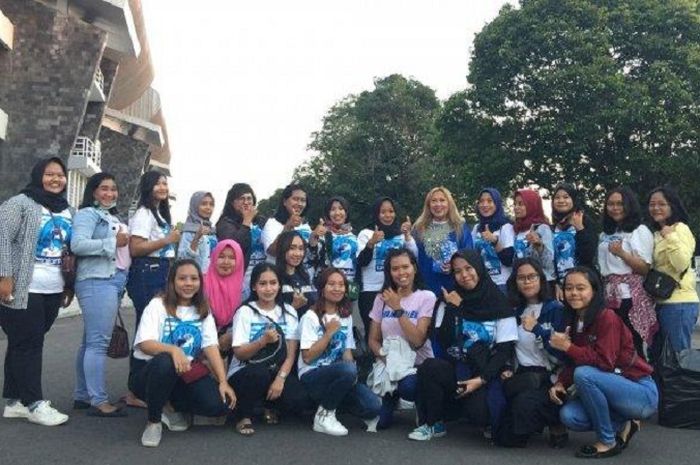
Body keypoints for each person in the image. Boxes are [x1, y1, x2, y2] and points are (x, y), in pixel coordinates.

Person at [549, 267, 658, 458]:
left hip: (640, 391)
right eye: (569, 288)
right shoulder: (575, 320)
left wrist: (568, 347)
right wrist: (560, 383)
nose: (573, 293)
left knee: (584, 374)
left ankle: (607, 441)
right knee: (569, 416)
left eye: (581, 288)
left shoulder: (607, 317)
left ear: (594, 290)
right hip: (615, 391)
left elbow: (604, 363)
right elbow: (576, 360)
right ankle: (625, 423)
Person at [409, 250, 517, 441]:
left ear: (479, 268)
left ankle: (470, 412)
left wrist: (481, 379)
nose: (464, 275)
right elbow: (443, 341)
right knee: (430, 367)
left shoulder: (500, 302)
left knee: (480, 415)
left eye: (469, 268)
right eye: (457, 271)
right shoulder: (449, 299)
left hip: (486, 370)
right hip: (458, 369)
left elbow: (504, 352)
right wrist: (454, 309)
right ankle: (434, 423)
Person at [129, 259, 236, 447]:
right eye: (182, 278)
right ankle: (154, 421)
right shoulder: (157, 305)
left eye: (194, 278)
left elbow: (211, 346)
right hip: (149, 374)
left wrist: (223, 381)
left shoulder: (202, 309)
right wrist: (173, 349)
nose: (188, 283)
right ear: (172, 281)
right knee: (165, 361)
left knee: (220, 404)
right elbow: (145, 344)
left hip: (185, 373)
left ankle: (172, 407)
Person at [0, 157, 74, 426]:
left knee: (23, 343)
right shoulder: (20, 203)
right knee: (30, 345)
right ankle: (34, 403)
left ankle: (15, 401)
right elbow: (1, 238)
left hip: (52, 289)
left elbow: (70, 251)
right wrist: (4, 276)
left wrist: (69, 285)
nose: (55, 179)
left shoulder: (68, 210)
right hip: (23, 287)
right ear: (37, 175)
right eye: (49, 174)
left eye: (60, 175)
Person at [226, 263, 310, 435]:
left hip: (276, 370)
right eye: (262, 284)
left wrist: (281, 378)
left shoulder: (289, 312)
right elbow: (239, 353)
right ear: (254, 287)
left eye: (273, 283)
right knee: (259, 374)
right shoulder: (244, 312)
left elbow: (290, 354)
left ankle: (268, 405)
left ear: (279, 285)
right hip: (245, 370)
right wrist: (262, 341)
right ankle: (244, 415)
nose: (268, 288)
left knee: (300, 399)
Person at [71, 173, 130, 417]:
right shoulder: (87, 214)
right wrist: (111, 242)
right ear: (93, 192)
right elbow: (78, 245)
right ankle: (99, 400)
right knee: (98, 344)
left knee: (90, 342)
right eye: (103, 188)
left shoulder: (110, 216)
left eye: (113, 189)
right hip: (97, 280)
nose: (109, 193)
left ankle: (82, 395)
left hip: (111, 280)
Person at [298, 267, 381, 435]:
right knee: (347, 369)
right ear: (322, 288)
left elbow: (347, 353)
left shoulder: (346, 316)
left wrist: (353, 378)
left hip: (340, 375)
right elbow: (307, 357)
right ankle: (324, 415)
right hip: (313, 374)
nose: (337, 288)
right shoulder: (310, 316)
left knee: (373, 407)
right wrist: (328, 333)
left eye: (341, 284)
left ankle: (332, 403)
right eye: (331, 284)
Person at [496, 258, 566, 448]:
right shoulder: (514, 311)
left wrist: (538, 330)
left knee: (523, 404)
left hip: (550, 376)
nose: (527, 281)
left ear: (541, 279)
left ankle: (556, 421)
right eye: (521, 278)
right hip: (522, 375)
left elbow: (562, 355)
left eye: (532, 277)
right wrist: (507, 367)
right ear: (515, 282)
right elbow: (507, 346)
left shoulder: (556, 310)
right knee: (503, 438)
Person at [367, 248, 435, 430]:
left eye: (406, 267)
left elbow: (418, 340)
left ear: (414, 268)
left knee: (409, 387)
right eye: (395, 268)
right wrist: (386, 359)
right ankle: (391, 398)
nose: (401, 273)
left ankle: (422, 405)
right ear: (389, 272)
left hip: (417, 365)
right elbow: (372, 340)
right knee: (379, 423)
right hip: (389, 363)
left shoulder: (426, 297)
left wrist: (398, 308)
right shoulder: (381, 299)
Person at [598, 187, 656, 358]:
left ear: (629, 205)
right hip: (609, 295)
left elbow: (644, 267)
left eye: (620, 204)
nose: (615, 208)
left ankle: (640, 382)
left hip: (629, 297)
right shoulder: (605, 234)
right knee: (613, 344)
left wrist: (622, 254)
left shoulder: (639, 231)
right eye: (610, 204)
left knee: (631, 344)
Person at [647, 186, 699, 352]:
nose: (656, 208)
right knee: (658, 355)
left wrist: (670, 236)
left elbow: (681, 263)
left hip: (679, 302)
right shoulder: (655, 234)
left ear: (672, 206)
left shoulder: (680, 229)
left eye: (661, 204)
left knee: (678, 356)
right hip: (660, 301)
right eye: (652, 204)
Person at [357, 197, 417, 338]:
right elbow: (361, 262)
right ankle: (375, 359)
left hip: (397, 289)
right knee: (373, 332)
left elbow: (414, 256)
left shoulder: (401, 235)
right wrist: (371, 243)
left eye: (391, 211)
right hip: (371, 290)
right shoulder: (366, 233)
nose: (387, 215)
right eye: (383, 212)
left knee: (396, 330)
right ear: (377, 214)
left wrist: (408, 235)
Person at [126, 171, 180, 327]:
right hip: (148, 272)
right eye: (158, 184)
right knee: (147, 323)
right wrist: (166, 240)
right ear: (148, 187)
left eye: (165, 184)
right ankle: (138, 352)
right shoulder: (144, 213)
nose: (163, 187)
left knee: (154, 324)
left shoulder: (158, 213)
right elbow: (135, 248)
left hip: (160, 271)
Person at [413, 187, 472, 296]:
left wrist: (454, 266)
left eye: (442, 200)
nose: (438, 204)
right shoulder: (419, 229)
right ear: (428, 205)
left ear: (449, 203)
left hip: (456, 287)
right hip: (427, 288)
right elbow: (413, 256)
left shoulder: (460, 227)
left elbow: (469, 256)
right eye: (434, 201)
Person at [216, 183, 267, 299]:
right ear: (232, 202)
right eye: (241, 199)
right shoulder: (225, 223)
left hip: (263, 278)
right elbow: (233, 248)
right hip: (240, 279)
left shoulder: (261, 221)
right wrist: (246, 221)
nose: (246, 202)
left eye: (249, 199)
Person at [261, 184, 324, 278]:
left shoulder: (305, 226)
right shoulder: (272, 224)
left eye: (303, 200)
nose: (299, 203)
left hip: (304, 279)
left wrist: (314, 236)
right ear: (285, 201)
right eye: (295, 199)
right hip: (279, 278)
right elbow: (272, 251)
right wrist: (288, 226)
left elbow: (309, 253)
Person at [550, 184, 596, 298]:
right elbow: (550, 260)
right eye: (557, 197)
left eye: (566, 197)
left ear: (573, 200)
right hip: (561, 287)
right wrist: (555, 283)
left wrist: (580, 229)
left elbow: (589, 255)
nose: (561, 200)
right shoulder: (551, 228)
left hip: (583, 284)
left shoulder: (584, 221)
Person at [203, 240, 245, 352]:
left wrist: (231, 335)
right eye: (221, 256)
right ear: (214, 257)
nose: (226, 262)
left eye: (232, 258)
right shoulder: (200, 284)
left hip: (233, 347)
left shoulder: (245, 289)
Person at [472, 188, 515, 293]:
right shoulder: (476, 228)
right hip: (482, 285)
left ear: (497, 203)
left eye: (490, 201)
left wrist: (495, 241)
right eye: (481, 201)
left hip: (502, 284)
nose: (485, 205)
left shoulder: (506, 226)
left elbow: (509, 260)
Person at [512, 188, 555, 285]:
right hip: (523, 284)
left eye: (521, 204)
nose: (516, 207)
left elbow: (550, 263)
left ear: (532, 205)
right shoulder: (516, 230)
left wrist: (539, 246)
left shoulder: (542, 228)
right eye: (515, 204)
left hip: (542, 284)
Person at [275, 231, 317, 317]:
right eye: (292, 248)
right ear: (282, 249)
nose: (297, 253)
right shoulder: (274, 278)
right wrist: (293, 307)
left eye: (301, 249)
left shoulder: (305, 276)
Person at [319, 196, 359, 286]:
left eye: (341, 209)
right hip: (331, 285)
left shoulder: (355, 234)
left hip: (352, 286)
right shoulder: (323, 234)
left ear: (346, 212)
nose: (337, 213)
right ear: (328, 214)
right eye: (333, 209)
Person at [178, 191, 217, 273]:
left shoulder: (213, 231)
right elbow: (182, 260)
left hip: (211, 280)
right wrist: (197, 237)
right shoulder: (188, 230)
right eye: (204, 204)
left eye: (211, 204)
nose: (208, 207)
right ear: (195, 206)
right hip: (195, 278)